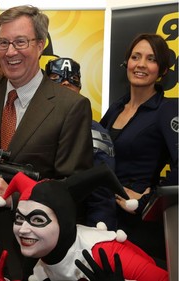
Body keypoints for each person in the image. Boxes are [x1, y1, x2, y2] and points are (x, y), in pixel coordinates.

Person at [0, 5, 94, 281]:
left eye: (20, 42)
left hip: (34, 256)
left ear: (40, 45)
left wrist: (16, 196)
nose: (10, 52)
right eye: (3, 43)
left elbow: (74, 187)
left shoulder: (70, 106)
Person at [0, 166, 169, 281]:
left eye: (38, 220)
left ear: (62, 223)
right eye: (19, 219)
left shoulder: (104, 253)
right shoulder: (40, 258)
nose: (23, 229)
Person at [100, 33, 178, 263]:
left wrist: (150, 200)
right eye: (136, 57)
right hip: (103, 216)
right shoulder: (116, 107)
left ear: (162, 70)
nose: (141, 64)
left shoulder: (167, 109)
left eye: (151, 59)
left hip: (137, 227)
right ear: (127, 63)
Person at [45, 57, 117, 230]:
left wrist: (98, 234)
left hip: (75, 225)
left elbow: (102, 190)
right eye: (56, 79)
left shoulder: (95, 132)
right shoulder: (31, 123)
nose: (65, 85)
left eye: (72, 82)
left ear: (79, 88)